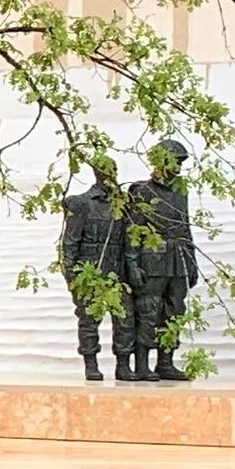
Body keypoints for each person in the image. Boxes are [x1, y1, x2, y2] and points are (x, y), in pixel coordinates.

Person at [117, 139, 199, 383]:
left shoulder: (181, 189)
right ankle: (142, 364)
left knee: (175, 310)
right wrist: (132, 264)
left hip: (178, 257)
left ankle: (166, 362)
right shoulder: (142, 190)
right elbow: (133, 230)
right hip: (151, 259)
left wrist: (191, 262)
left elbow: (185, 227)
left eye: (181, 161)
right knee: (148, 310)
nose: (178, 166)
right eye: (175, 160)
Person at [58, 151, 123, 381]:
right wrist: (72, 279)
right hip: (90, 272)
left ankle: (123, 365)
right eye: (105, 171)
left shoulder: (122, 204)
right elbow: (70, 243)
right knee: (88, 321)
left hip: (117, 271)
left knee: (123, 320)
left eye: (113, 171)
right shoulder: (83, 204)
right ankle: (91, 363)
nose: (110, 176)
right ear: (96, 173)